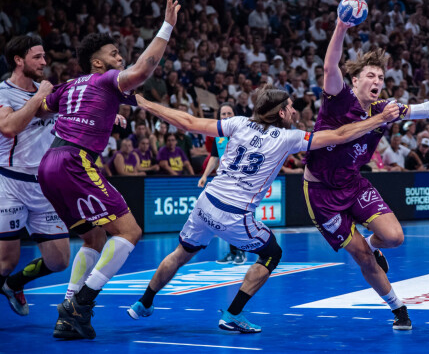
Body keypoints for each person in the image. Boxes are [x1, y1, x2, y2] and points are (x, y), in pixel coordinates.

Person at [126, 85, 401, 333]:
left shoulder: (238, 123)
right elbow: (339, 135)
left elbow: (186, 121)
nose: (294, 110)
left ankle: (143, 303)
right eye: (291, 106)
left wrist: (143, 102)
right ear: (281, 113)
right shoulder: (288, 138)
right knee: (272, 253)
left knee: (181, 253)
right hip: (234, 214)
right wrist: (380, 119)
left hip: (206, 202)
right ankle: (232, 314)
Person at [302, 18, 429, 331]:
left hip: (353, 184)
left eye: (381, 76)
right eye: (370, 75)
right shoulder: (338, 98)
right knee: (363, 259)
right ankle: (398, 309)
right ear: (354, 80)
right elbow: (330, 66)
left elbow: (428, 109)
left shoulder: (386, 109)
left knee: (394, 237)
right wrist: (341, 27)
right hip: (321, 195)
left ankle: (372, 243)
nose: (377, 80)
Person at [36, 0, 181, 340]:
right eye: (114, 54)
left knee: (93, 237)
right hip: (75, 161)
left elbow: (41, 107)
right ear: (97, 63)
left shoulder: (70, 85)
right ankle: (82, 303)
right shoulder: (104, 79)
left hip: (48, 165)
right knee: (129, 232)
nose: (121, 57)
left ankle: (67, 315)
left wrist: (99, 117)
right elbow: (144, 70)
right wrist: (167, 26)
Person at [0, 36, 70, 316]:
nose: (44, 62)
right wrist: (40, 95)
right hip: (10, 183)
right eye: (37, 57)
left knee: (60, 261)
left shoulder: (47, 92)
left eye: (44, 56)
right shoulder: (4, 93)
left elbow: (70, 114)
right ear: (19, 60)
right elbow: (8, 127)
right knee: (5, 261)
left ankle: (15, 284)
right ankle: (8, 277)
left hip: (44, 187)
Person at [198, 102, 247, 265]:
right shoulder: (218, 136)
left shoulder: (243, 134)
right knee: (225, 216)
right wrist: (205, 175)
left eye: (229, 113)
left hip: (241, 181)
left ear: (236, 115)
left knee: (237, 216)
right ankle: (233, 252)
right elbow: (214, 157)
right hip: (225, 181)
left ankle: (241, 251)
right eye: (223, 114)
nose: (226, 117)